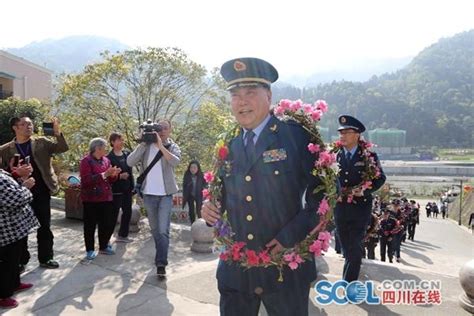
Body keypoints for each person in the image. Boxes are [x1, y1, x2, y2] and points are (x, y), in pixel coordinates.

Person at [201, 57, 324, 316]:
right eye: (235, 94)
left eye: (250, 93)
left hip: (284, 270)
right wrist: (210, 207)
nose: (242, 101)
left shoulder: (296, 135)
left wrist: (292, 235)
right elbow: (222, 194)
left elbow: (322, 199)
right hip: (237, 272)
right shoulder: (228, 143)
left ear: (268, 95)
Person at [0, 116, 68, 269]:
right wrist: (15, 172)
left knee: (44, 226)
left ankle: (46, 258)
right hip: (18, 194)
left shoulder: (42, 142)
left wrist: (58, 133)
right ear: (15, 128)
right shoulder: (5, 150)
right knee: (20, 229)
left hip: (42, 190)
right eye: (23, 124)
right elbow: (2, 173)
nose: (28, 126)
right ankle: (21, 260)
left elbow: (62, 148)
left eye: (30, 124)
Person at [334, 115, 386, 282]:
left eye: (346, 132)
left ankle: (348, 283)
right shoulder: (333, 155)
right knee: (345, 246)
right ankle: (350, 275)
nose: (342, 136)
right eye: (340, 132)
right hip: (340, 207)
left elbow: (380, 178)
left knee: (355, 246)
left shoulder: (368, 156)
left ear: (357, 135)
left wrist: (363, 191)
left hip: (360, 208)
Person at [127, 119, 181, 279]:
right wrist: (144, 142)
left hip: (165, 195)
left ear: (170, 130)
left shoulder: (172, 146)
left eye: (165, 128)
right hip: (149, 195)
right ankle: (160, 256)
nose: (162, 130)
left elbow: (175, 162)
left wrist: (160, 146)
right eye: (159, 128)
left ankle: (161, 263)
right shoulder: (146, 146)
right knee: (156, 230)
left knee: (163, 230)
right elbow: (130, 161)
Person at [0, 167, 39, 309]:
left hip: (15, 228)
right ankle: (3, 295)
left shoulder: (1, 173)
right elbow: (16, 198)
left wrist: (19, 177)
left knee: (15, 259)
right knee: (6, 263)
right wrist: (26, 186)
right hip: (6, 230)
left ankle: (15, 283)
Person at [79, 138, 121, 260]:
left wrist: (114, 174)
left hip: (106, 197)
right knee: (90, 225)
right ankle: (90, 249)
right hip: (90, 199)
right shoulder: (86, 161)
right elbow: (86, 181)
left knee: (106, 223)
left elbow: (110, 180)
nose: (106, 150)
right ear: (97, 148)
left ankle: (103, 245)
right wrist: (104, 175)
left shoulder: (106, 160)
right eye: (104, 147)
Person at [107, 133, 135, 242]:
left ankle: (123, 235)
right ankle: (106, 238)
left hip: (127, 188)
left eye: (122, 140)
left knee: (127, 211)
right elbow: (107, 175)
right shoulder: (108, 158)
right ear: (112, 142)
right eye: (119, 140)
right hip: (116, 190)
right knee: (113, 214)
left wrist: (133, 186)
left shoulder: (127, 154)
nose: (121, 142)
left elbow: (131, 172)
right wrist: (119, 176)